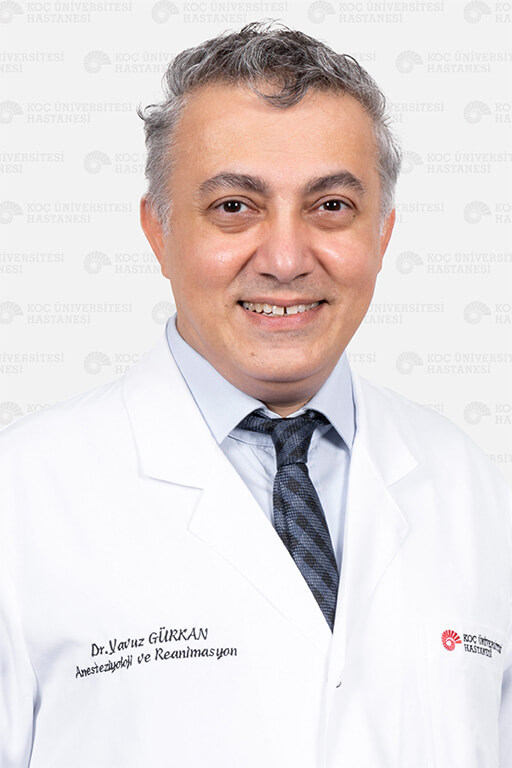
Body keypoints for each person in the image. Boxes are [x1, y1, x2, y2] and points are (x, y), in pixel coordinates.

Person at [1, 20, 511, 767]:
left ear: (383, 235)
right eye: (235, 207)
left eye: (331, 206)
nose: (285, 258)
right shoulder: (21, 498)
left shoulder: (474, 492)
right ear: (158, 232)